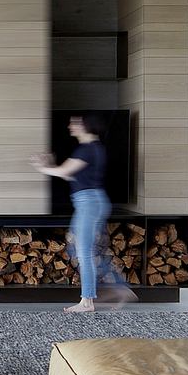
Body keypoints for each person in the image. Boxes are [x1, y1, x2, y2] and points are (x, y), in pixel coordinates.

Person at [30, 114, 132, 313]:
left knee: (84, 253)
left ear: (86, 126)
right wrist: (52, 166)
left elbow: (63, 172)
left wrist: (42, 167)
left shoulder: (87, 149)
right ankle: (119, 288)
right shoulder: (94, 148)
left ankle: (87, 302)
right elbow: (70, 174)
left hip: (89, 204)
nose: (70, 126)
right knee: (78, 249)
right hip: (93, 202)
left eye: (75, 123)